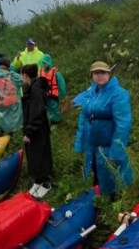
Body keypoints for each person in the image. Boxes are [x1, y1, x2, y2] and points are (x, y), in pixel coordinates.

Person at [74, 61, 133, 196]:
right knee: (96, 176)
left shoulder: (118, 94)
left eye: (103, 72)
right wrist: (80, 142)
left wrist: (116, 151)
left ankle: (113, 206)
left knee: (113, 180)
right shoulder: (92, 92)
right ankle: (98, 203)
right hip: (93, 147)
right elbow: (83, 117)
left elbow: (123, 124)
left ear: (109, 74)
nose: (99, 76)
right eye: (96, 73)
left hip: (108, 147)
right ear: (92, 76)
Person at [21, 64, 53, 198]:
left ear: (26, 75)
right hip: (38, 128)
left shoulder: (35, 90)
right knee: (37, 156)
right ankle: (38, 182)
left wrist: (29, 132)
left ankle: (45, 183)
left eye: (22, 76)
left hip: (37, 130)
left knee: (39, 156)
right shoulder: (34, 88)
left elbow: (36, 113)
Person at [0, 58, 23, 133]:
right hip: (11, 106)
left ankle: (0, 135)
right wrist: (11, 71)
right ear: (8, 66)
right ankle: (11, 137)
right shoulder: (12, 76)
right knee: (11, 126)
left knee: (0, 123)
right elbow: (22, 80)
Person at [39, 54, 67, 124]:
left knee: (54, 108)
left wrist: (62, 95)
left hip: (53, 95)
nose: (44, 65)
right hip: (44, 94)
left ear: (49, 63)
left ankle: (57, 121)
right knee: (47, 108)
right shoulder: (40, 72)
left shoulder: (56, 73)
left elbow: (62, 85)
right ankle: (50, 120)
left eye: (45, 63)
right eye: (43, 63)